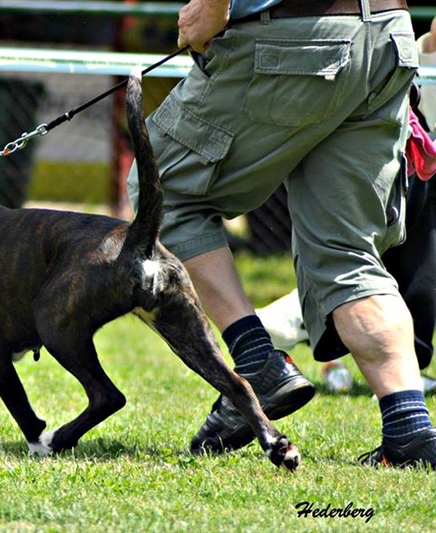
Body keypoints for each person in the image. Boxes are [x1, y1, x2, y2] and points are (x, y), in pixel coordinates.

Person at [128, 0, 435, 468]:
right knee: (347, 252)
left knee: (161, 194)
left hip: (299, 33)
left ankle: (257, 363)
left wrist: (211, 11)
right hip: (387, 38)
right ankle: (410, 431)